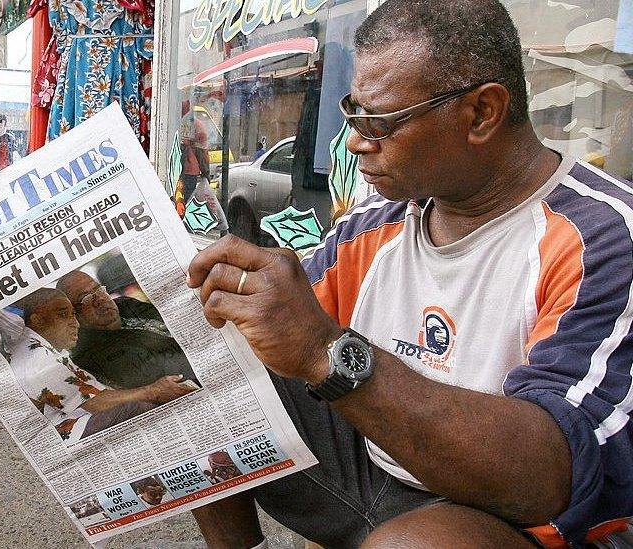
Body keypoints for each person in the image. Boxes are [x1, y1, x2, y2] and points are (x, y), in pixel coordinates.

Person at [185, 2, 633, 548]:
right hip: (375, 472)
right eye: (353, 113)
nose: (355, 141)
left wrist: (327, 352)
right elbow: (288, 328)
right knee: (194, 375)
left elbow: (546, 482)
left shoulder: (602, 238)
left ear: (481, 113)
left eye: (381, 122)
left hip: (516, 520)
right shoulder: (377, 226)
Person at [7, 288, 197, 443]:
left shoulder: (44, 347)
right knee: (138, 408)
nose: (75, 324)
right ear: (37, 320)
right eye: (63, 315)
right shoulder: (38, 358)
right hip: (59, 435)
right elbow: (95, 403)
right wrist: (153, 391)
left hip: (75, 417)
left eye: (73, 315)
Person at [56, 270, 199, 390]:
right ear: (74, 314)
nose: (99, 298)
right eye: (86, 298)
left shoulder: (127, 304)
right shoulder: (88, 357)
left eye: (99, 289)